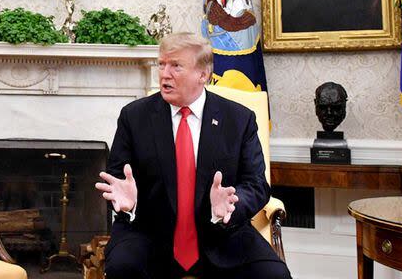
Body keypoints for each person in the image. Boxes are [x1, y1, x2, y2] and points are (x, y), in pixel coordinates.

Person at [95, 33, 290, 278]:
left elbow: (256, 185)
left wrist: (231, 204)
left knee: (274, 275)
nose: (164, 73)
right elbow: (116, 180)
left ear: (203, 74)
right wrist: (130, 205)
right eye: (161, 64)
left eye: (176, 66)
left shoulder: (239, 119)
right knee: (123, 267)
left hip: (222, 235)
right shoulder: (134, 117)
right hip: (149, 233)